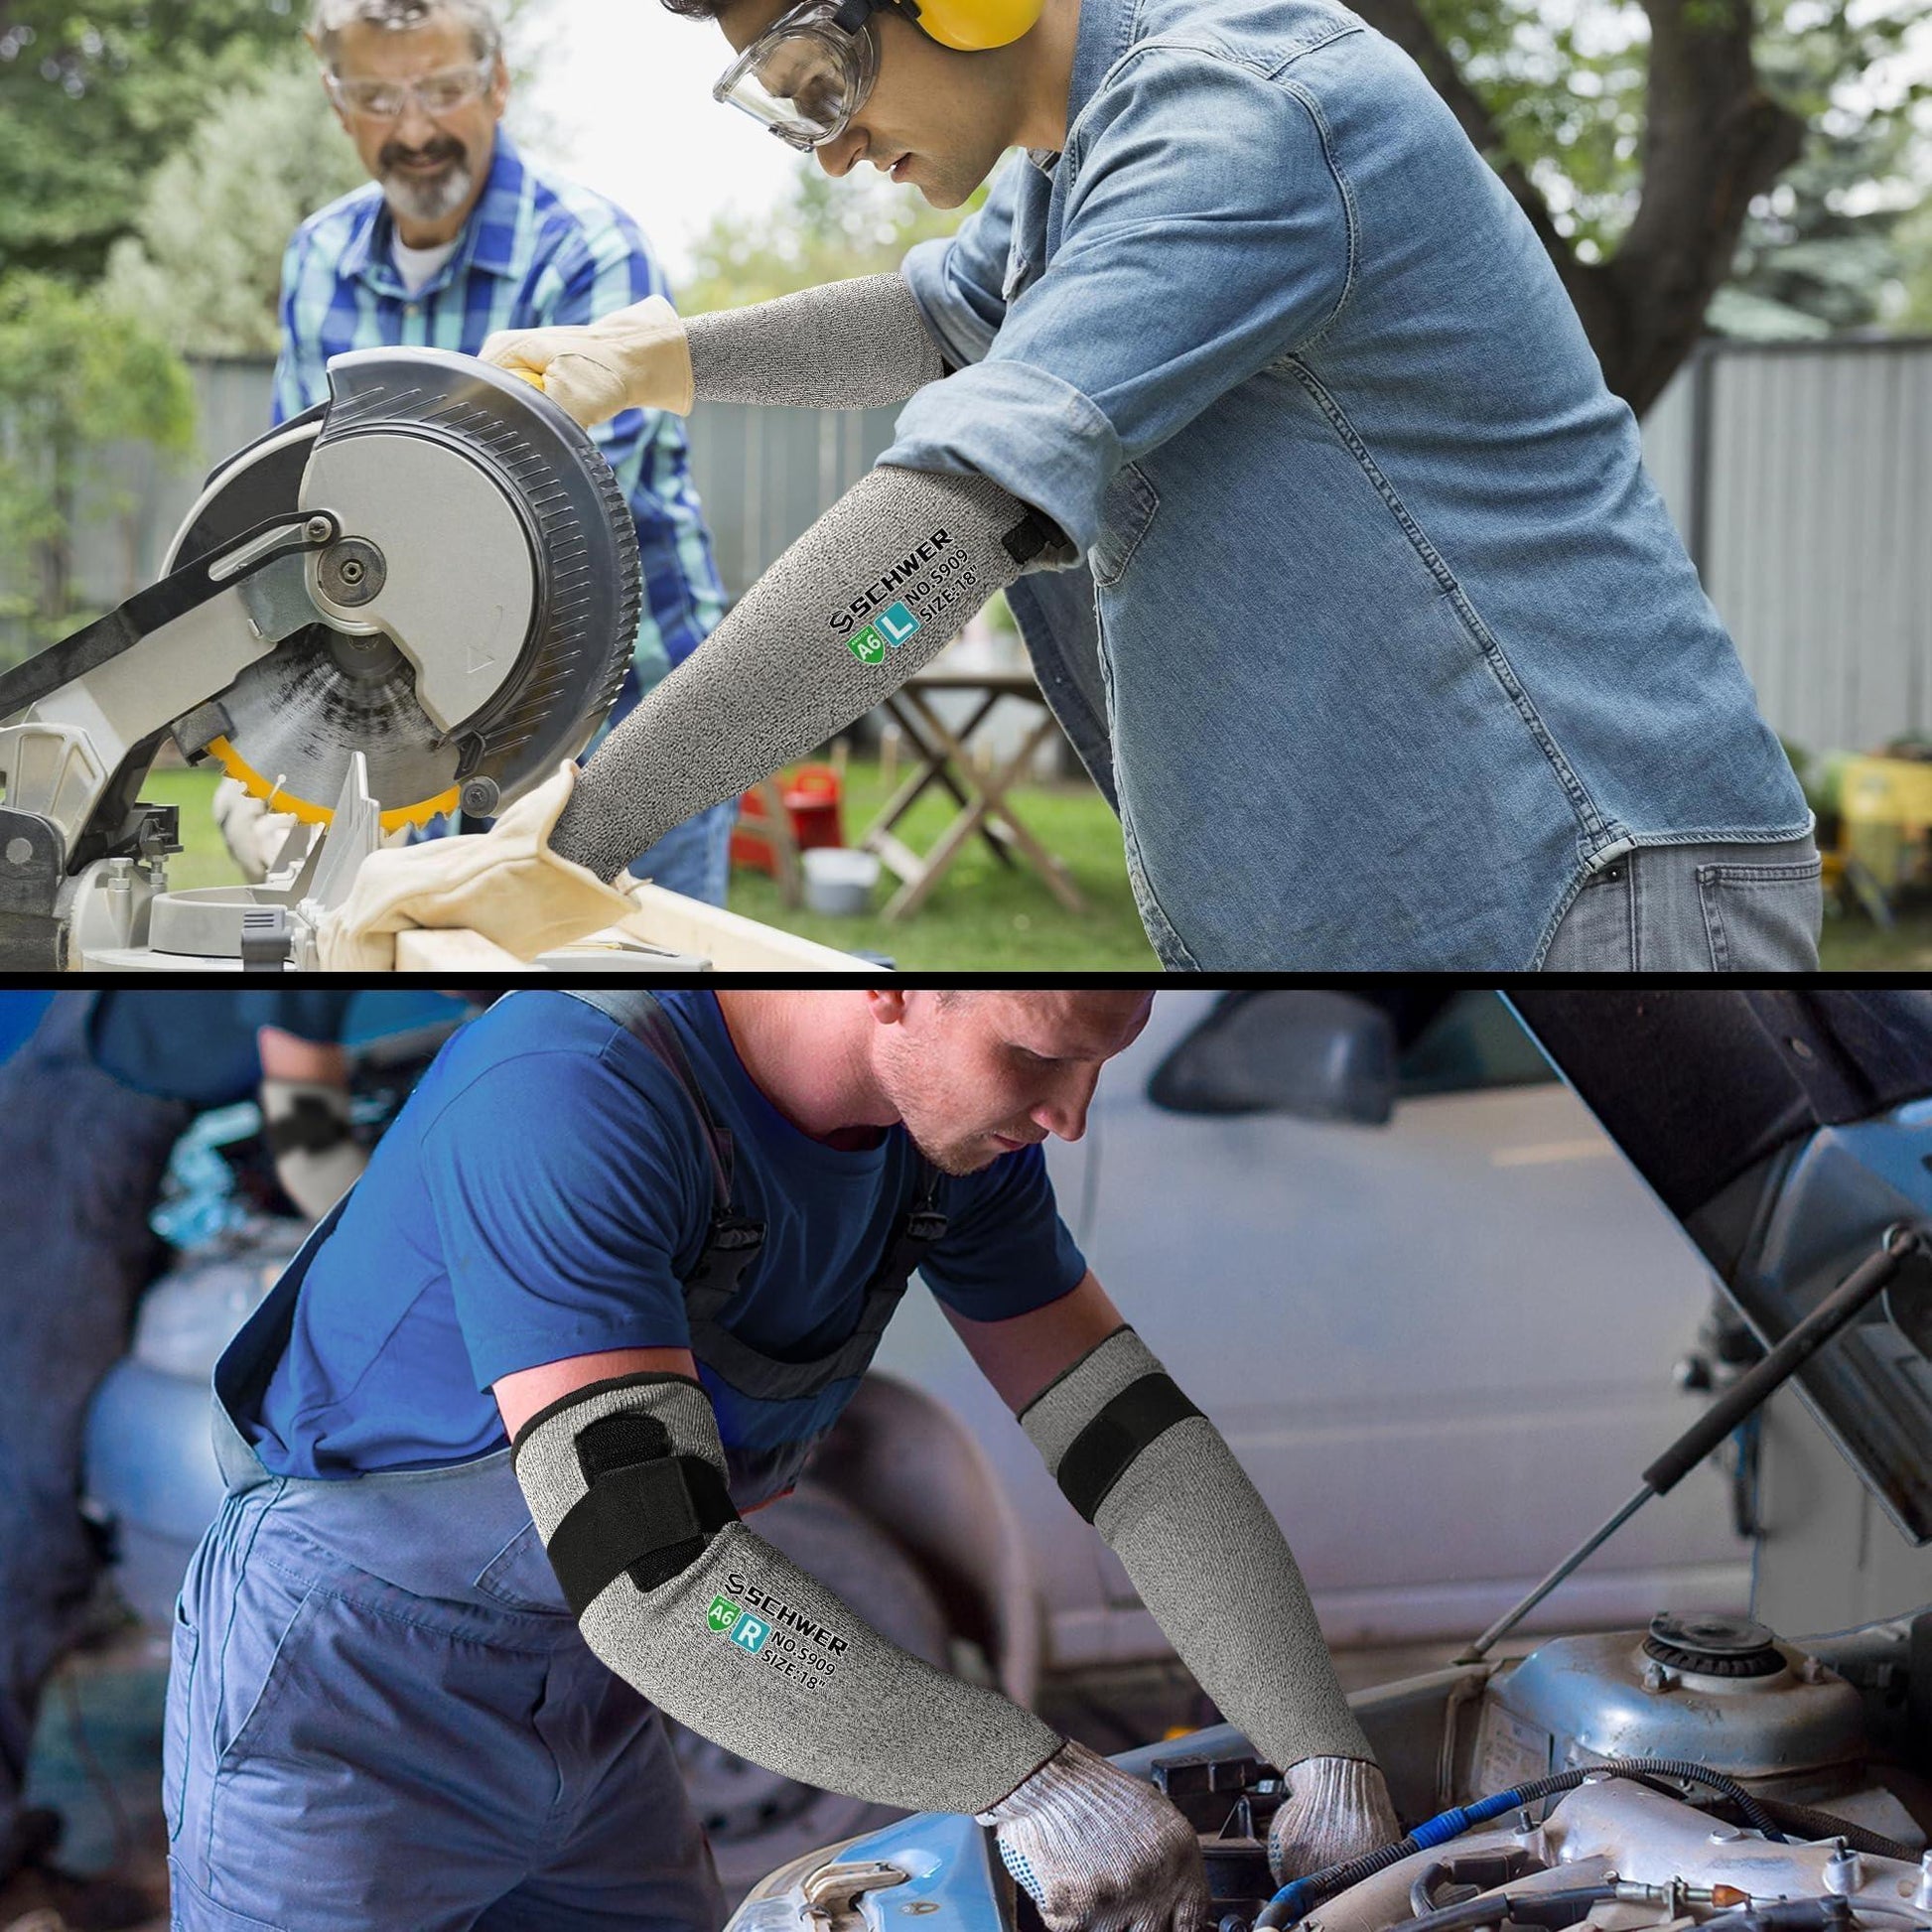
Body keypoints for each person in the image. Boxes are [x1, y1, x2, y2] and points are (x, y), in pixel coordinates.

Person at [319, 0, 1821, 972]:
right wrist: (651, 361)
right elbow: (929, 318)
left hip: (1590, 884)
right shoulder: (1072, 156)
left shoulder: (1241, 119)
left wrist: (579, 833)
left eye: (823, 75)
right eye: (781, 103)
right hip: (1449, 898)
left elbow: (940, 537)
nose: (832, 144)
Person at [169, 989, 1400, 1932]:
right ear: (886, 986)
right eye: (1035, 1055)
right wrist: (1022, 1777)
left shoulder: (949, 1141)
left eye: (1099, 1057)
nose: (1067, 1113)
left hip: (593, 1712)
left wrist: (1321, 1751)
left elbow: (1134, 1449)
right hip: (353, 1702)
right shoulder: (570, 1093)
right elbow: (666, 1581)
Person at [233, 0, 738, 904]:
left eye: (443, 88)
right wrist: (265, 729)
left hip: (626, 723)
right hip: (414, 714)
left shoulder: (588, 251)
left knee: (642, 1009)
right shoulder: (318, 258)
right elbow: (297, 507)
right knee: (412, 982)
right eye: (379, 98)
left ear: (498, 84)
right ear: (336, 100)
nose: (415, 128)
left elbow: (560, 530)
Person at [0, 994, 384, 1928]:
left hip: (117, 1122)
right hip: (72, 1145)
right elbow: (312, 1149)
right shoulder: (321, 938)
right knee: (28, 1517)